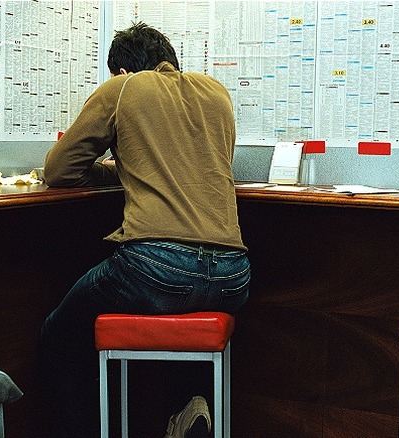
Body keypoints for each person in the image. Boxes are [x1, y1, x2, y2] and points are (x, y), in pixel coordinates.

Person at [41, 22, 250, 438]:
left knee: (60, 334)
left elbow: (60, 171)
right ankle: (187, 409)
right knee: (183, 310)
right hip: (233, 275)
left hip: (157, 266)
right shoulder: (217, 93)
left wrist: (109, 171)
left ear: (121, 71)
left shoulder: (123, 88)